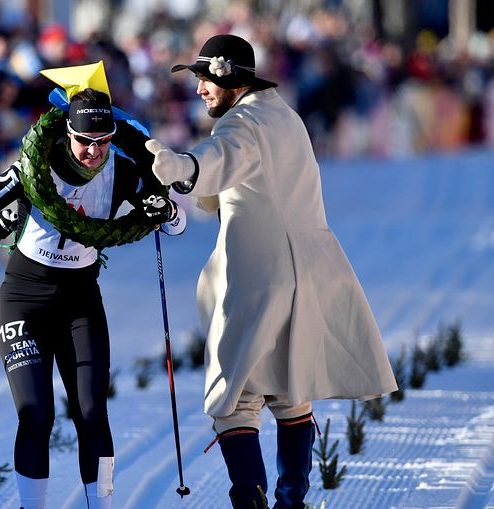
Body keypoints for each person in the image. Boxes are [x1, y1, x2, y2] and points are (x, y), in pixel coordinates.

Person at [145, 34, 398, 509]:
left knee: (235, 397)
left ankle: (253, 502)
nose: (198, 88)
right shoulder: (284, 115)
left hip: (260, 276)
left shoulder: (241, 123)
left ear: (230, 79)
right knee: (289, 391)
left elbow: (217, 162)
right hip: (309, 268)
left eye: (203, 78)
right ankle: (289, 502)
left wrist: (178, 165)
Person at [0, 62, 185, 509]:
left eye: (103, 142)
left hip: (80, 298)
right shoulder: (35, 163)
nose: (93, 152)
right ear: (66, 133)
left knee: (90, 412)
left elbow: (174, 225)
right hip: (25, 296)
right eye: (85, 141)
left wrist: (166, 211)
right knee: (36, 414)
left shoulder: (120, 172)